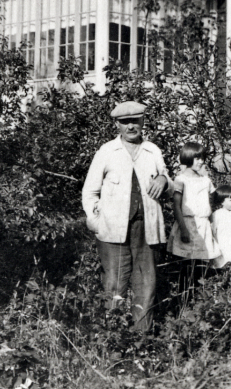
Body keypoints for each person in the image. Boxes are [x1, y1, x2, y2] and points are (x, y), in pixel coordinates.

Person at [82, 100, 171, 333]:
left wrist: (164, 180)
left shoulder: (152, 151)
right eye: (125, 122)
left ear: (143, 121)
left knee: (146, 285)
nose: (131, 126)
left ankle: (142, 338)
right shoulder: (107, 151)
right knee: (114, 285)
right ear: (117, 125)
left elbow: (170, 186)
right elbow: (90, 192)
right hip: (113, 231)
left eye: (135, 121)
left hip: (147, 229)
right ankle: (113, 336)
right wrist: (96, 223)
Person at [166, 142, 220, 299]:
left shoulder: (206, 180)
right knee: (186, 265)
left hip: (203, 225)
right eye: (197, 158)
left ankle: (200, 299)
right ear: (188, 157)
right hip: (188, 225)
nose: (201, 161)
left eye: (202, 158)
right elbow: (176, 206)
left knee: (201, 265)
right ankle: (184, 299)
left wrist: (211, 225)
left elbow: (210, 203)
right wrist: (183, 229)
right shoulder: (181, 179)